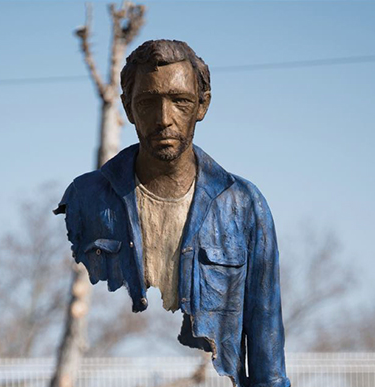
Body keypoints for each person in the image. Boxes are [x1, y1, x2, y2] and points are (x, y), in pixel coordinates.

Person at [54, 40, 288, 387]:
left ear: (202, 105)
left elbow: (268, 353)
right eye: (148, 102)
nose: (164, 119)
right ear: (129, 109)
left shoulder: (243, 205)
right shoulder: (84, 199)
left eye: (180, 101)